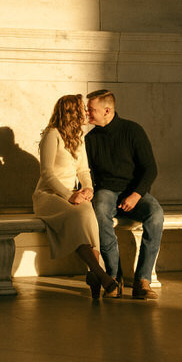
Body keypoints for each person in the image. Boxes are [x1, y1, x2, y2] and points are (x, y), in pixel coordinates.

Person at [32, 94, 120, 298]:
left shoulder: (78, 136)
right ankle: (101, 274)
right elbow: (46, 173)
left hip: (73, 195)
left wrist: (88, 189)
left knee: (89, 216)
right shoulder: (52, 134)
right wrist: (68, 196)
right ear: (72, 111)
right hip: (48, 195)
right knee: (76, 216)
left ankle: (93, 275)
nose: (86, 112)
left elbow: (83, 170)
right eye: (82, 108)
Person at [84, 89, 164, 300]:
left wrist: (137, 194)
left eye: (91, 110)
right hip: (106, 191)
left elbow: (150, 169)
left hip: (134, 192)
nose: (87, 114)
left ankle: (142, 281)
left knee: (155, 214)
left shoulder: (132, 130)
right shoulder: (90, 139)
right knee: (100, 211)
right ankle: (113, 276)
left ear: (107, 110)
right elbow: (86, 173)